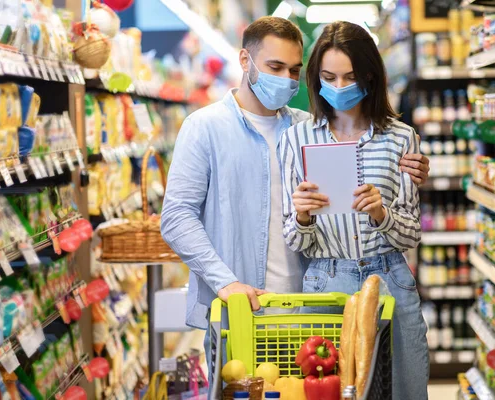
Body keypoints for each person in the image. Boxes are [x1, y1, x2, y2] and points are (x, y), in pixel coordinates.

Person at [161, 16, 429, 334]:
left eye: (293, 70)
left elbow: (369, 157)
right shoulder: (205, 127)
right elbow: (177, 218)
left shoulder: (306, 129)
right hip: (242, 306)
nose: (286, 79)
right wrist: (226, 283)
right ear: (245, 60)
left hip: (309, 302)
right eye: (275, 67)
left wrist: (410, 168)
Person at [280, 21, 428, 399]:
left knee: (403, 390)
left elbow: (411, 234)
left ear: (369, 76)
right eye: (329, 77)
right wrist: (303, 215)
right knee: (325, 390)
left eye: (350, 76)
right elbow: (293, 236)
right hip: (324, 283)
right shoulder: (296, 139)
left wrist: (382, 214)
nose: (340, 87)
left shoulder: (401, 137)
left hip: (389, 278)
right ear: (316, 79)